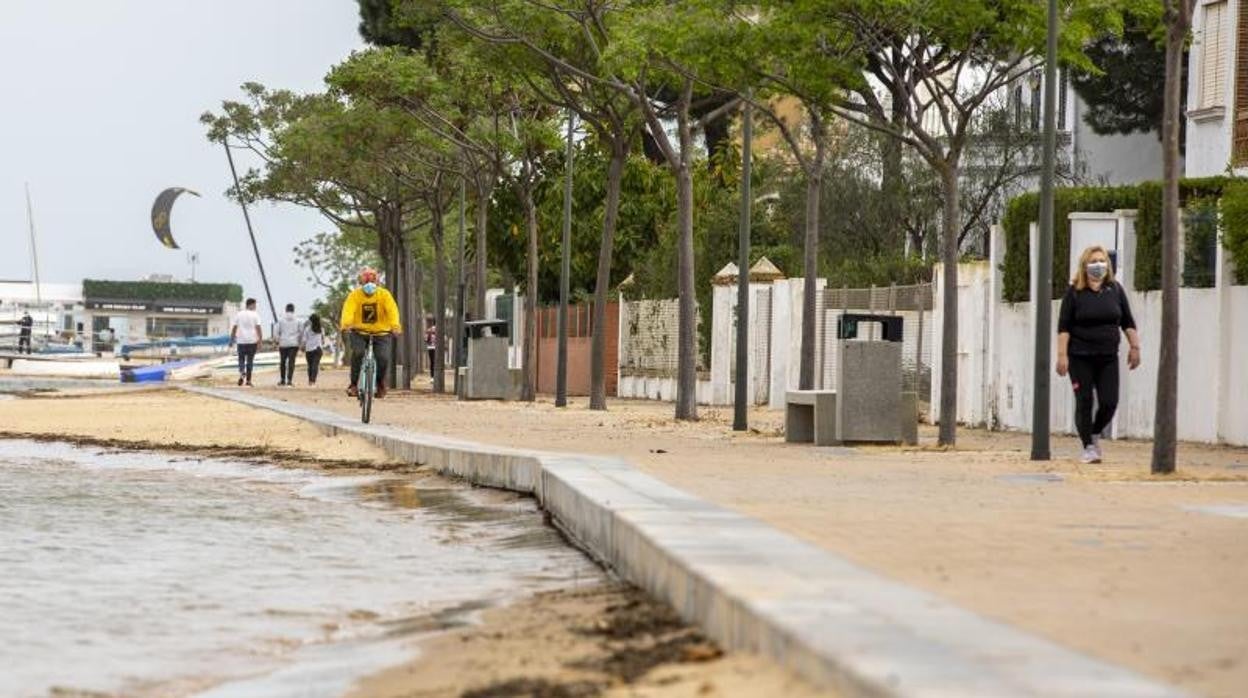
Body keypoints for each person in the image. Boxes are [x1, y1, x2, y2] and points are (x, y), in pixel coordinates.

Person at [1057, 245, 1142, 464]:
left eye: (1102, 260)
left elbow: (1127, 321)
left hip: (1107, 357)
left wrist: (1135, 347)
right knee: (1084, 400)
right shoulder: (1074, 292)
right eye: (1093, 261)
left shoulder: (1114, 289)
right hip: (1079, 356)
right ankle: (1087, 446)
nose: (1098, 265)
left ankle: (1094, 433)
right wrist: (1062, 355)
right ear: (1085, 266)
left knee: (1109, 402)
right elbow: (1064, 327)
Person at [339, 267, 402, 398]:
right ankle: (354, 384)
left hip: (381, 333)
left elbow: (392, 311)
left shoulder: (384, 295)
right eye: (366, 280)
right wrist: (346, 323)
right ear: (361, 282)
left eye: (372, 280)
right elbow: (348, 310)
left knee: (383, 358)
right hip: (359, 332)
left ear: (377, 282)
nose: (369, 284)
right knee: (358, 353)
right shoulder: (354, 295)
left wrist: (395, 326)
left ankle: (380, 383)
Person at [229, 298, 263, 387]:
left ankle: (242, 372)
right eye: (255, 305)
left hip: (241, 340)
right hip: (252, 341)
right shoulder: (255, 315)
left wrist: (232, 339)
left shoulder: (239, 314)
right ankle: (248, 380)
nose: (255, 307)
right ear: (251, 305)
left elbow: (234, 328)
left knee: (241, 359)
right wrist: (260, 340)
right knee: (250, 361)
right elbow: (258, 328)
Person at [275, 303, 302, 386]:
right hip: (294, 344)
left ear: (286, 310)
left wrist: (277, 341)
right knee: (291, 362)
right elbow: (301, 332)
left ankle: (282, 380)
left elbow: (276, 332)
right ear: (293, 310)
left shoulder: (280, 320)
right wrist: (299, 342)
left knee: (282, 362)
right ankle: (289, 380)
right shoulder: (298, 320)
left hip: (283, 343)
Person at [301, 313, 325, 386]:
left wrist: (302, 347)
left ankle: (310, 381)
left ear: (311, 321)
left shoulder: (307, 329)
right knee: (315, 365)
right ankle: (313, 381)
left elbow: (304, 340)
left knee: (310, 366)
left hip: (309, 350)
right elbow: (323, 340)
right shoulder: (321, 329)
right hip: (318, 349)